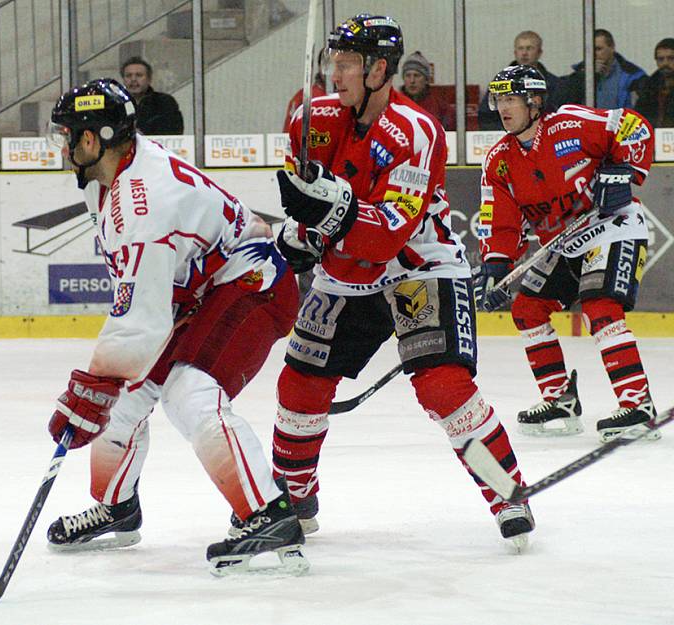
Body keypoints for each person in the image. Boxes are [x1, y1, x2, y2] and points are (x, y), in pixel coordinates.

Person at [268, 14, 534, 549]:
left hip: (420, 267)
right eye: (332, 62)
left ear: (378, 69)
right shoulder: (311, 119)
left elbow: (388, 232)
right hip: (346, 274)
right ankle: (294, 499)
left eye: (345, 64)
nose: (334, 73)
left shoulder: (415, 131)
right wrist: (305, 230)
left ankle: (505, 491)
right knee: (299, 384)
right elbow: (315, 203)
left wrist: (331, 214)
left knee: (443, 388)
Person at [44, 78, 307, 575]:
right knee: (120, 403)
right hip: (195, 293)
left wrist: (93, 383)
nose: (62, 145)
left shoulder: (143, 202)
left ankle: (268, 513)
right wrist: (102, 388)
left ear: (92, 138)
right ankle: (118, 507)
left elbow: (140, 316)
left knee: (190, 391)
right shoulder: (109, 176)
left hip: (251, 281)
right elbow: (142, 298)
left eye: (67, 134)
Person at [474, 64, 660, 444]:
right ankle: (560, 399)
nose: (503, 108)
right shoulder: (499, 160)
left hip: (612, 225)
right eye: (499, 99)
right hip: (563, 242)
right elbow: (501, 222)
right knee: (527, 308)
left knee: (600, 304)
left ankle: (638, 404)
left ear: (535, 101)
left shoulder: (571, 124)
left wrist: (623, 172)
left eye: (511, 99)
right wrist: (496, 265)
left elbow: (634, 128)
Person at [477, 31, 563, 130]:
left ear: (539, 52)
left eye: (529, 48)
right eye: (520, 48)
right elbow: (486, 117)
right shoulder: (500, 82)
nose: (524, 53)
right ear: (515, 52)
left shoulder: (554, 83)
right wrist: (508, 131)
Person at [561, 29, 647, 110]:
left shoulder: (632, 75)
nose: (594, 54)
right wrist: (584, 77)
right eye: (590, 50)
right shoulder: (579, 75)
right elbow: (566, 102)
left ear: (612, 48)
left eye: (598, 49)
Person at [120, 57, 184, 135]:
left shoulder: (164, 102)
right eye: (128, 76)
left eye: (139, 75)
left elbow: (174, 130)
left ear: (149, 79)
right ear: (123, 80)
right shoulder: (115, 104)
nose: (133, 79)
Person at [399, 51, 454, 130]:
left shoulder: (441, 108)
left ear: (426, 79)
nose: (412, 81)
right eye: (408, 75)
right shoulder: (393, 105)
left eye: (417, 75)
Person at [635, 38, 674, 128]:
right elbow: (638, 117)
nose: (665, 63)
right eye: (661, 59)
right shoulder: (648, 87)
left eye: (671, 58)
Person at [283, 62, 327, 132]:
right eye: (328, 65)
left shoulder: (349, 97)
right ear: (320, 67)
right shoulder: (304, 96)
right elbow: (289, 134)